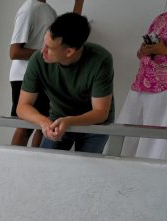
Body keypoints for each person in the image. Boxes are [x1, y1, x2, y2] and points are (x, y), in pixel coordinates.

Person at [16, 13, 114, 153]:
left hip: (94, 123)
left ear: (69, 51)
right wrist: (43, 122)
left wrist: (69, 121)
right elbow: (22, 107)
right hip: (57, 119)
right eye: (44, 43)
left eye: (49, 47)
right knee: (47, 166)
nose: (42, 50)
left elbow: (100, 112)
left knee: (87, 170)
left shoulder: (101, 60)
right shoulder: (38, 59)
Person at [9, 1, 83, 147]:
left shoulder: (50, 10)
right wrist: (49, 54)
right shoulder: (29, 9)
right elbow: (14, 52)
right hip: (24, 76)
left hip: (45, 77)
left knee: (45, 124)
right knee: (25, 126)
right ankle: (13, 166)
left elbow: (69, 36)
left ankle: (37, 165)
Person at [116, 11, 167, 159]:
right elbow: (142, 51)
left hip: (163, 88)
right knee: (126, 134)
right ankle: (118, 172)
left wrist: (163, 50)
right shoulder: (161, 17)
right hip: (141, 83)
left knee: (151, 141)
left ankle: (144, 176)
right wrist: (143, 50)